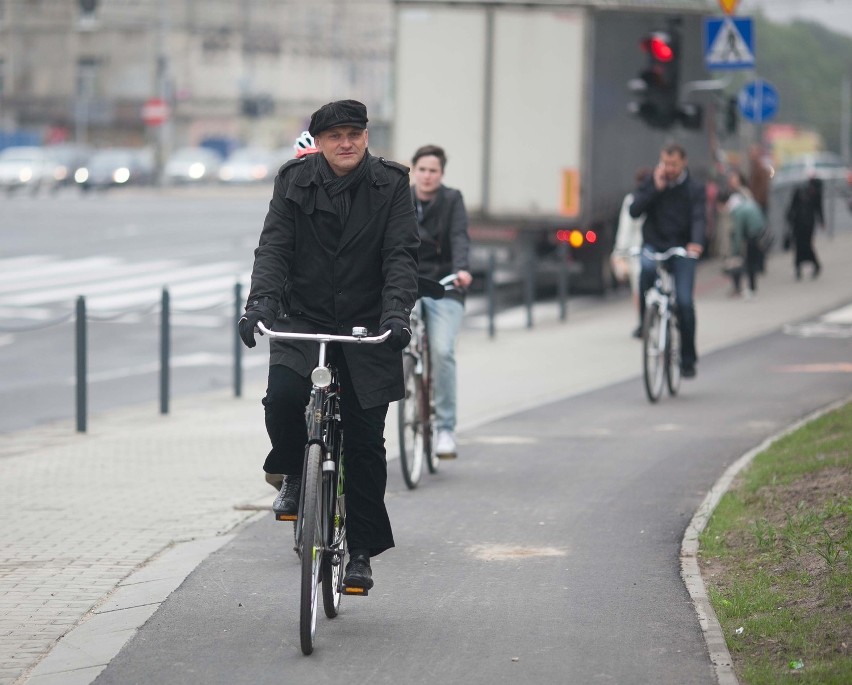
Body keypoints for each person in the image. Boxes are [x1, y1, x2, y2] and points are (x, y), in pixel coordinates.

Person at [238, 99, 420, 591]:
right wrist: (260, 306)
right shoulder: (293, 181)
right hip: (306, 316)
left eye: (354, 134)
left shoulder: (392, 182)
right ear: (317, 143)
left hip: (369, 324)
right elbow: (274, 247)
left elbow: (400, 254)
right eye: (336, 135)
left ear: (365, 137)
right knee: (282, 398)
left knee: (365, 444)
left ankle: (359, 551)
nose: (346, 143)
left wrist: (396, 312)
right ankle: (295, 473)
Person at [409, 144, 472, 458]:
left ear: (441, 174)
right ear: (413, 170)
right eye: (422, 169)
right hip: (407, 284)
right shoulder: (401, 198)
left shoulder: (452, 200)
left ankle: (446, 428)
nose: (427, 176)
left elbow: (460, 236)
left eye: (433, 170)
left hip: (445, 284)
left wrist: (461, 269)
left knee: (443, 351)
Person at [630, 142, 705, 378]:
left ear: (683, 162)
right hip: (655, 245)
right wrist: (655, 188)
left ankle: (688, 358)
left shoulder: (693, 188)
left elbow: (699, 218)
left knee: (684, 302)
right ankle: (646, 320)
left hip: (681, 248)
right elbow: (634, 211)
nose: (669, 169)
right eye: (665, 163)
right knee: (646, 269)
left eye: (674, 164)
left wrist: (696, 242)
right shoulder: (653, 182)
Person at [611, 167, 651, 338]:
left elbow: (625, 229)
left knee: (639, 289)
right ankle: (650, 321)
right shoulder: (656, 197)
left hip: (636, 250)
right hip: (650, 249)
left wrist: (619, 252)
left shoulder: (632, 200)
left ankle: (643, 323)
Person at [718, 187, 765, 298]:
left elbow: (738, 233)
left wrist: (735, 251)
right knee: (751, 263)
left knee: (749, 264)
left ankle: (751, 289)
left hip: (752, 236)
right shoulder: (741, 202)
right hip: (759, 232)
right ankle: (751, 288)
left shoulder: (737, 211)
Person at [785, 176, 824, 280]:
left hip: (803, 223)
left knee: (804, 245)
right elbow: (818, 208)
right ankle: (801, 267)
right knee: (801, 245)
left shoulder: (809, 192)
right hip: (802, 223)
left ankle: (810, 265)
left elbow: (818, 208)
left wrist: (822, 221)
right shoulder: (806, 192)